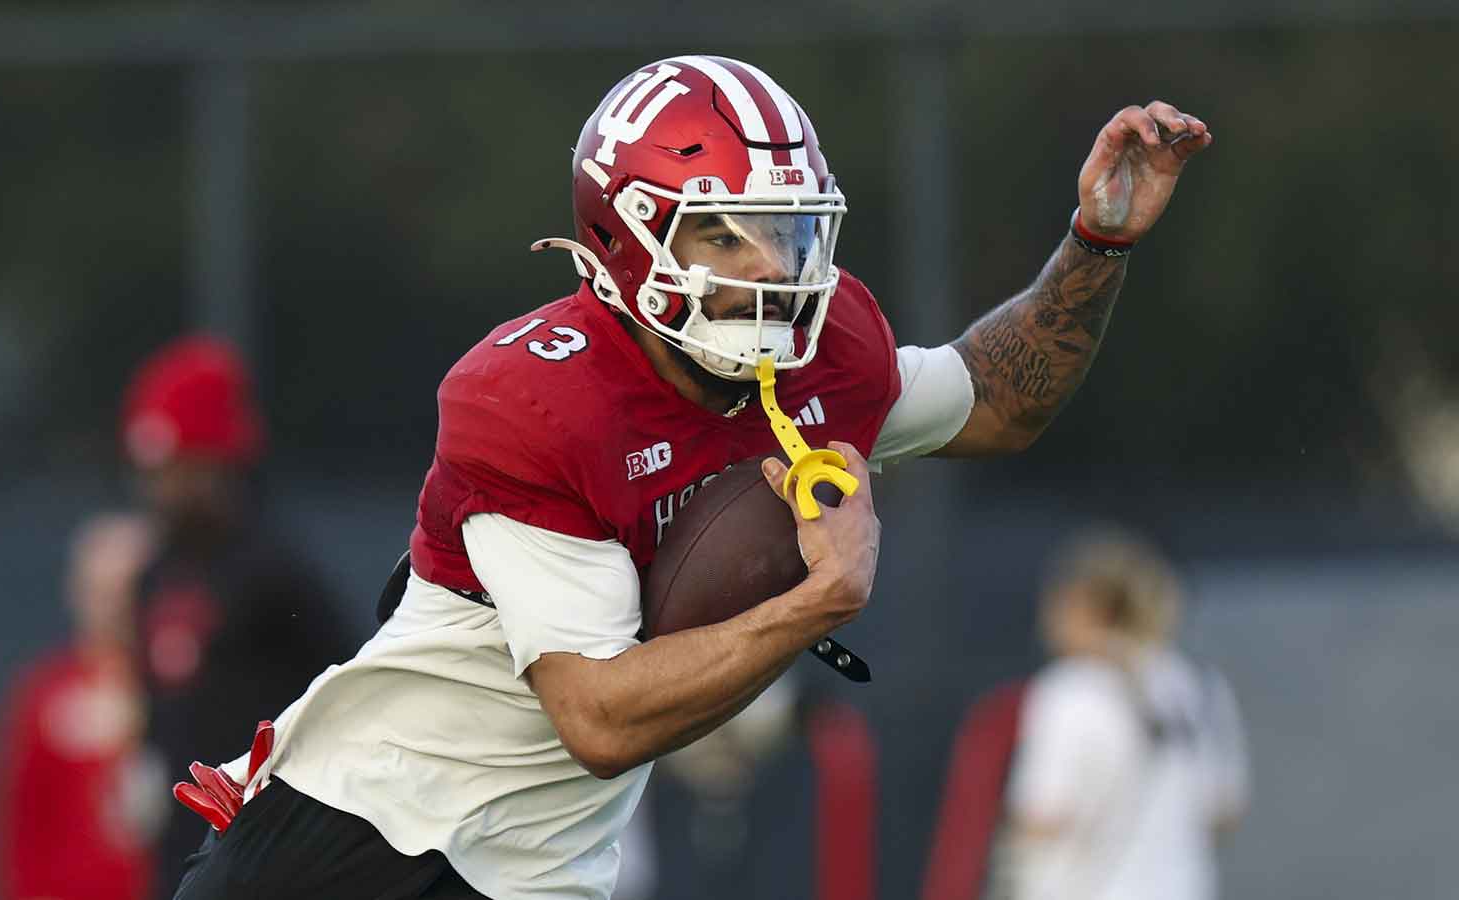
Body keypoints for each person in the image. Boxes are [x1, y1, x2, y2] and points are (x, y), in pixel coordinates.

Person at [169, 55, 1214, 900]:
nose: (769, 265)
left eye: (784, 228)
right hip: (359, 840)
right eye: (724, 231)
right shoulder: (536, 399)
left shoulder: (823, 352)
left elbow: (995, 398)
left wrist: (1094, 243)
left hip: (537, 873)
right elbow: (598, 719)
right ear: (620, 238)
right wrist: (821, 600)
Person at [119, 335, 356, 895]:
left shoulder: (275, 572)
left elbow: (344, 698)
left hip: (270, 856)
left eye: (176, 468)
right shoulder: (153, 577)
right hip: (181, 860)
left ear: (217, 463)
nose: (161, 488)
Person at [997, 529, 1250, 900]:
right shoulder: (1200, 687)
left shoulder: (1070, 689)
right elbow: (1224, 810)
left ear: (1085, 605)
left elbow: (1042, 814)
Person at [0, 513, 160, 900]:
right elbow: (19, 824)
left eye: (129, 591)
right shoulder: (46, 695)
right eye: (101, 591)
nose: (116, 608)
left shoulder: (186, 689)